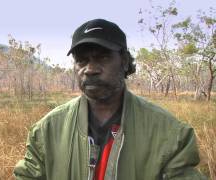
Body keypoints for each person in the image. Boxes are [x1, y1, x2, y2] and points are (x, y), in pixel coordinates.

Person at [14, 19, 206, 180]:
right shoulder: (47, 130)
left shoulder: (170, 134)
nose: (90, 69)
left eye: (102, 58)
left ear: (124, 61)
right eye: (82, 60)